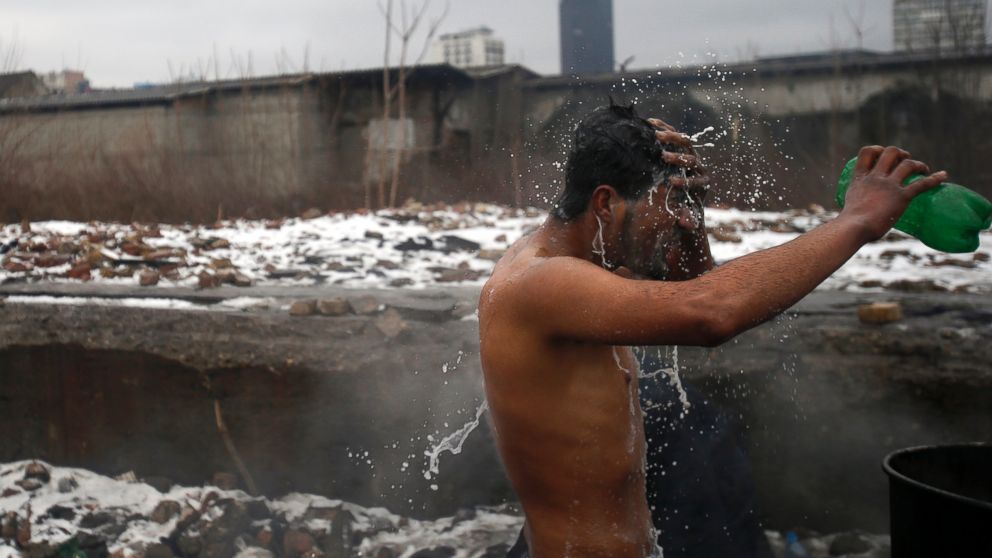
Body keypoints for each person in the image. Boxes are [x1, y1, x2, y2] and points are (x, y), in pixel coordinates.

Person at [478, 102, 947, 558]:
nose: (675, 222)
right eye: (668, 208)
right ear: (607, 203)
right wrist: (856, 222)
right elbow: (711, 312)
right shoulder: (540, 283)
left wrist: (690, 215)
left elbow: (689, 284)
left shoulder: (592, 257)